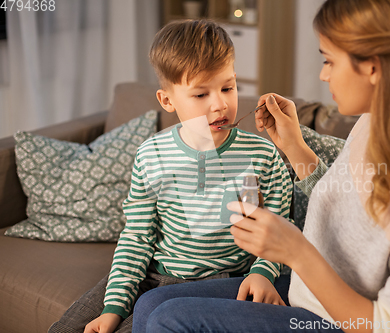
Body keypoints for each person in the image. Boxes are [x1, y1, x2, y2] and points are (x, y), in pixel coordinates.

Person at [131, 0, 390, 332]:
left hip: (335, 319)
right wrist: (295, 146)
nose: (323, 76)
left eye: (329, 60)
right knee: (149, 305)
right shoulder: (376, 122)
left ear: (372, 66)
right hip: (305, 292)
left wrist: (295, 253)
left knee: (168, 320)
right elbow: (348, 209)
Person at [49, 19, 293, 333]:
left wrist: (262, 272)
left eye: (228, 88)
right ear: (167, 100)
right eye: (201, 94)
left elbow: (278, 230)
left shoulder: (262, 154)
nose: (220, 104)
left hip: (222, 283)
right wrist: (114, 307)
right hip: (153, 273)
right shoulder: (151, 155)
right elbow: (136, 238)